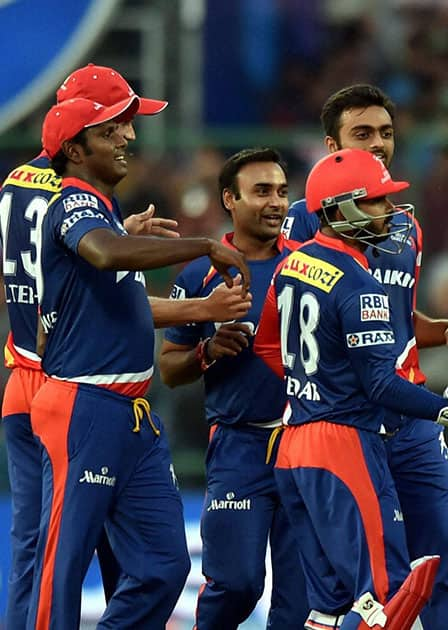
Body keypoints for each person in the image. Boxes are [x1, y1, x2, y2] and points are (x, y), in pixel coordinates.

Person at [0, 65, 250, 630]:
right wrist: (194, 250)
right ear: (76, 138)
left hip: (81, 390)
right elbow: (100, 258)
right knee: (55, 565)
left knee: (141, 565)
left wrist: (119, 234)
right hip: (67, 388)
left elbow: (91, 277)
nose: (130, 136)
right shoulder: (72, 200)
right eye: (116, 125)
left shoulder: (23, 184)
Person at [254, 148, 448, 630]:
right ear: (341, 209)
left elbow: (265, 346)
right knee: (387, 597)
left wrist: (316, 388)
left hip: (292, 444)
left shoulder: (291, 265)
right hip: (344, 444)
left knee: (328, 602)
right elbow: (384, 384)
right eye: (377, 202)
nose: (389, 212)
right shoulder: (361, 285)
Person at [281, 83, 448, 629]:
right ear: (330, 144)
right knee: (357, 584)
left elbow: (392, 319)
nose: (379, 143)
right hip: (342, 417)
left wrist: (445, 328)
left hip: (406, 421)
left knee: (445, 561)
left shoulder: (402, 222)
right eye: (362, 134)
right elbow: (300, 319)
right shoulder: (302, 218)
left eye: (386, 132)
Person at [158, 148, 308, 629]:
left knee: (299, 600)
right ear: (230, 199)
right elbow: (169, 370)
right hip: (239, 446)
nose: (277, 202)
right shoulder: (198, 275)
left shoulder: (312, 268)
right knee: (238, 583)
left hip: (307, 444)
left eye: (283, 191)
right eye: (262, 191)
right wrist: (207, 352)